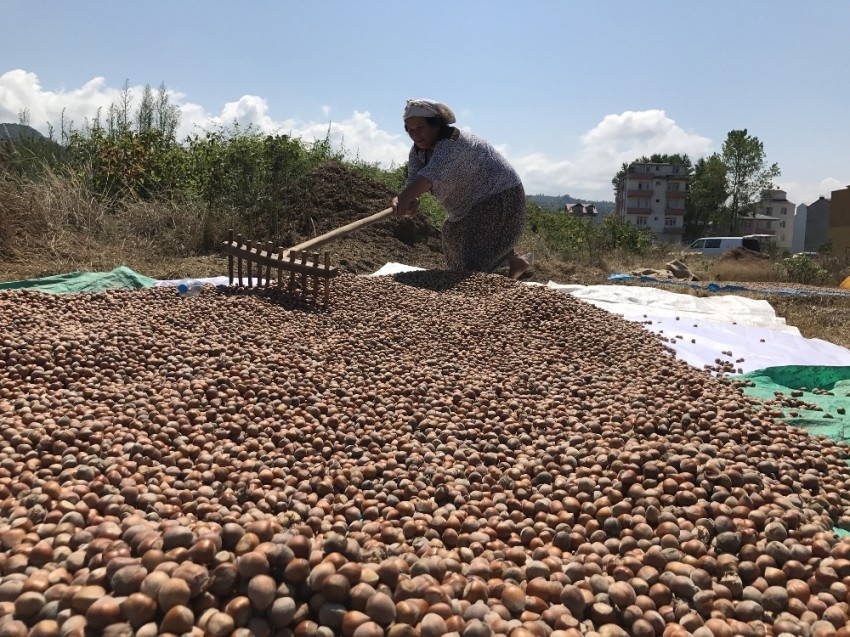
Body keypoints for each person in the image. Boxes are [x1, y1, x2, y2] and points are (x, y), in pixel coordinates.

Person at [392, 98, 531, 279]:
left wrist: (406, 197)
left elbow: (426, 180)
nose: (415, 134)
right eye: (410, 130)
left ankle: (483, 297)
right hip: (465, 207)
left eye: (420, 128)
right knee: (453, 240)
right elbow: (413, 184)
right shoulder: (418, 151)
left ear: (436, 125)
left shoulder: (453, 142)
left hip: (500, 197)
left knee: (472, 266)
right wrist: (404, 199)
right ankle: (515, 262)